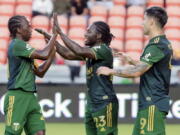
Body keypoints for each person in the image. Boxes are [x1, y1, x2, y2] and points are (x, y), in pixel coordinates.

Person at [36, 15, 119, 135]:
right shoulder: (91, 51)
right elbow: (68, 54)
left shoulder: (104, 50)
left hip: (104, 102)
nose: (85, 34)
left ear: (99, 36)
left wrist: (60, 32)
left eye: (89, 31)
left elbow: (78, 50)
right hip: (92, 102)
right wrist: (52, 39)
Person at [97, 6, 173, 135]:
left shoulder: (157, 45)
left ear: (152, 22)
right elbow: (148, 68)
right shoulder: (161, 43)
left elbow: (138, 71)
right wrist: (131, 60)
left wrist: (111, 71)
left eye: (144, 19)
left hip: (152, 103)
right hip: (149, 103)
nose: (141, 23)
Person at [4, 14, 57, 135]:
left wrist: (52, 49)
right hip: (17, 96)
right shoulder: (17, 44)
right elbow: (43, 54)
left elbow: (40, 72)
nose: (31, 28)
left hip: (31, 97)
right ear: (18, 29)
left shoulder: (26, 51)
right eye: (27, 25)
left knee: (39, 132)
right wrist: (54, 35)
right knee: (12, 133)